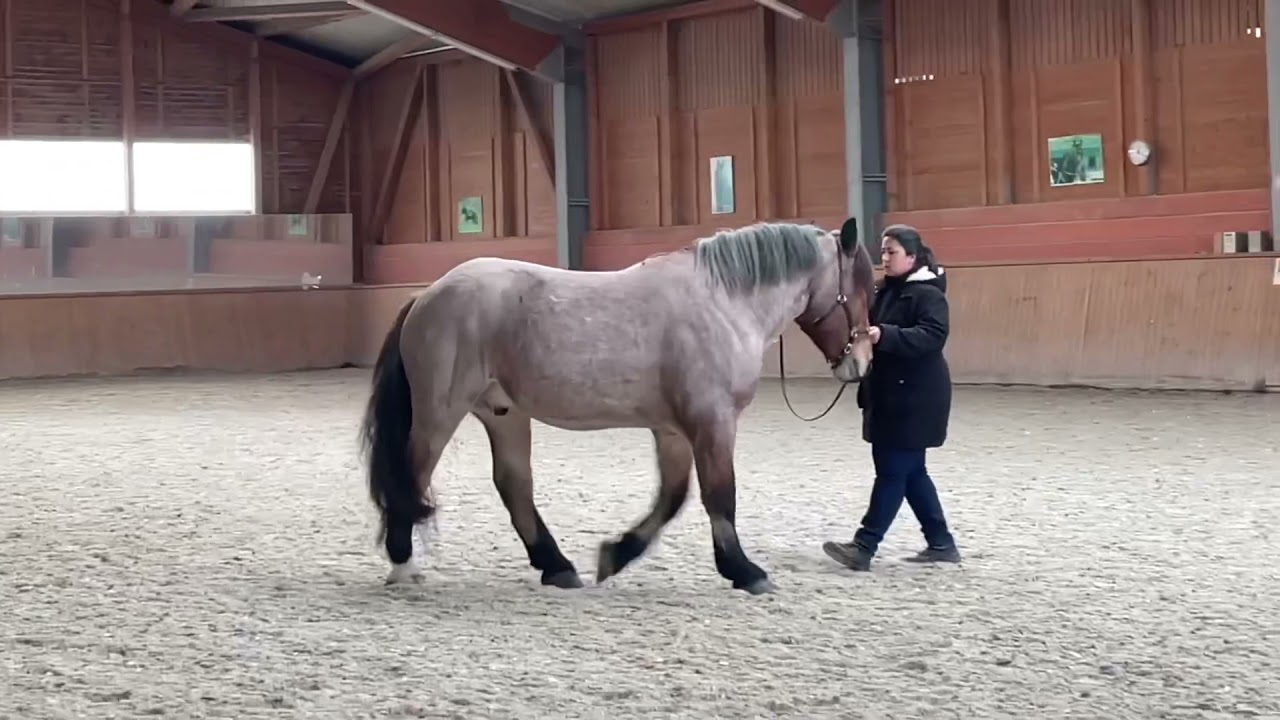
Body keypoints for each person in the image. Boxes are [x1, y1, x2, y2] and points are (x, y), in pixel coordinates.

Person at [822, 223, 961, 572]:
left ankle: (864, 545)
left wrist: (886, 335)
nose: (885, 258)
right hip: (888, 396)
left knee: (892, 472)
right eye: (883, 251)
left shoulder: (928, 296)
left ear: (912, 257)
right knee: (912, 474)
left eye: (892, 252)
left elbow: (932, 336)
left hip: (915, 398)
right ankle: (941, 543)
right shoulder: (885, 290)